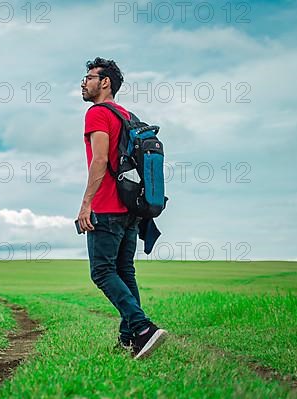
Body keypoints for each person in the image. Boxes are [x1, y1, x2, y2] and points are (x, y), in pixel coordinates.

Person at [77, 57, 168, 359]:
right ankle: (130, 340)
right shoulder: (127, 115)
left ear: (105, 83)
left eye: (89, 77)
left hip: (106, 207)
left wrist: (86, 203)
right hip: (131, 210)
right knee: (125, 272)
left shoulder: (97, 114)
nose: (83, 82)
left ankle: (143, 328)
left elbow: (100, 160)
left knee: (102, 272)